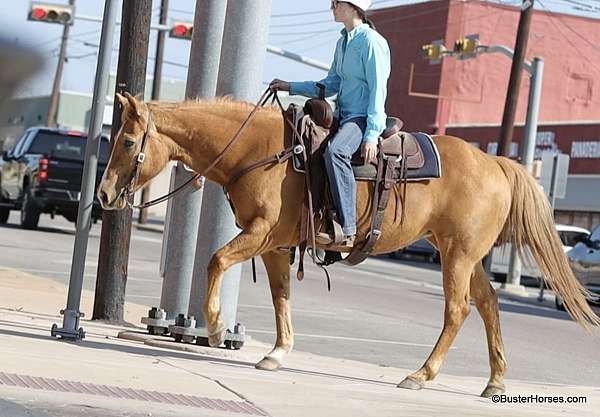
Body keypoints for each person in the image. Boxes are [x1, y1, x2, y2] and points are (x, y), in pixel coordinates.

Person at [270, 0, 391, 248]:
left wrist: (371, 134)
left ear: (353, 6)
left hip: (360, 118)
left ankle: (348, 229)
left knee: (336, 152)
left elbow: (379, 90)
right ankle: (311, 219)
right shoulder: (343, 42)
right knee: (305, 145)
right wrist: (290, 86)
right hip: (342, 116)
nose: (332, 7)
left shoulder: (371, 42)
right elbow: (330, 86)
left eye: (336, 3)